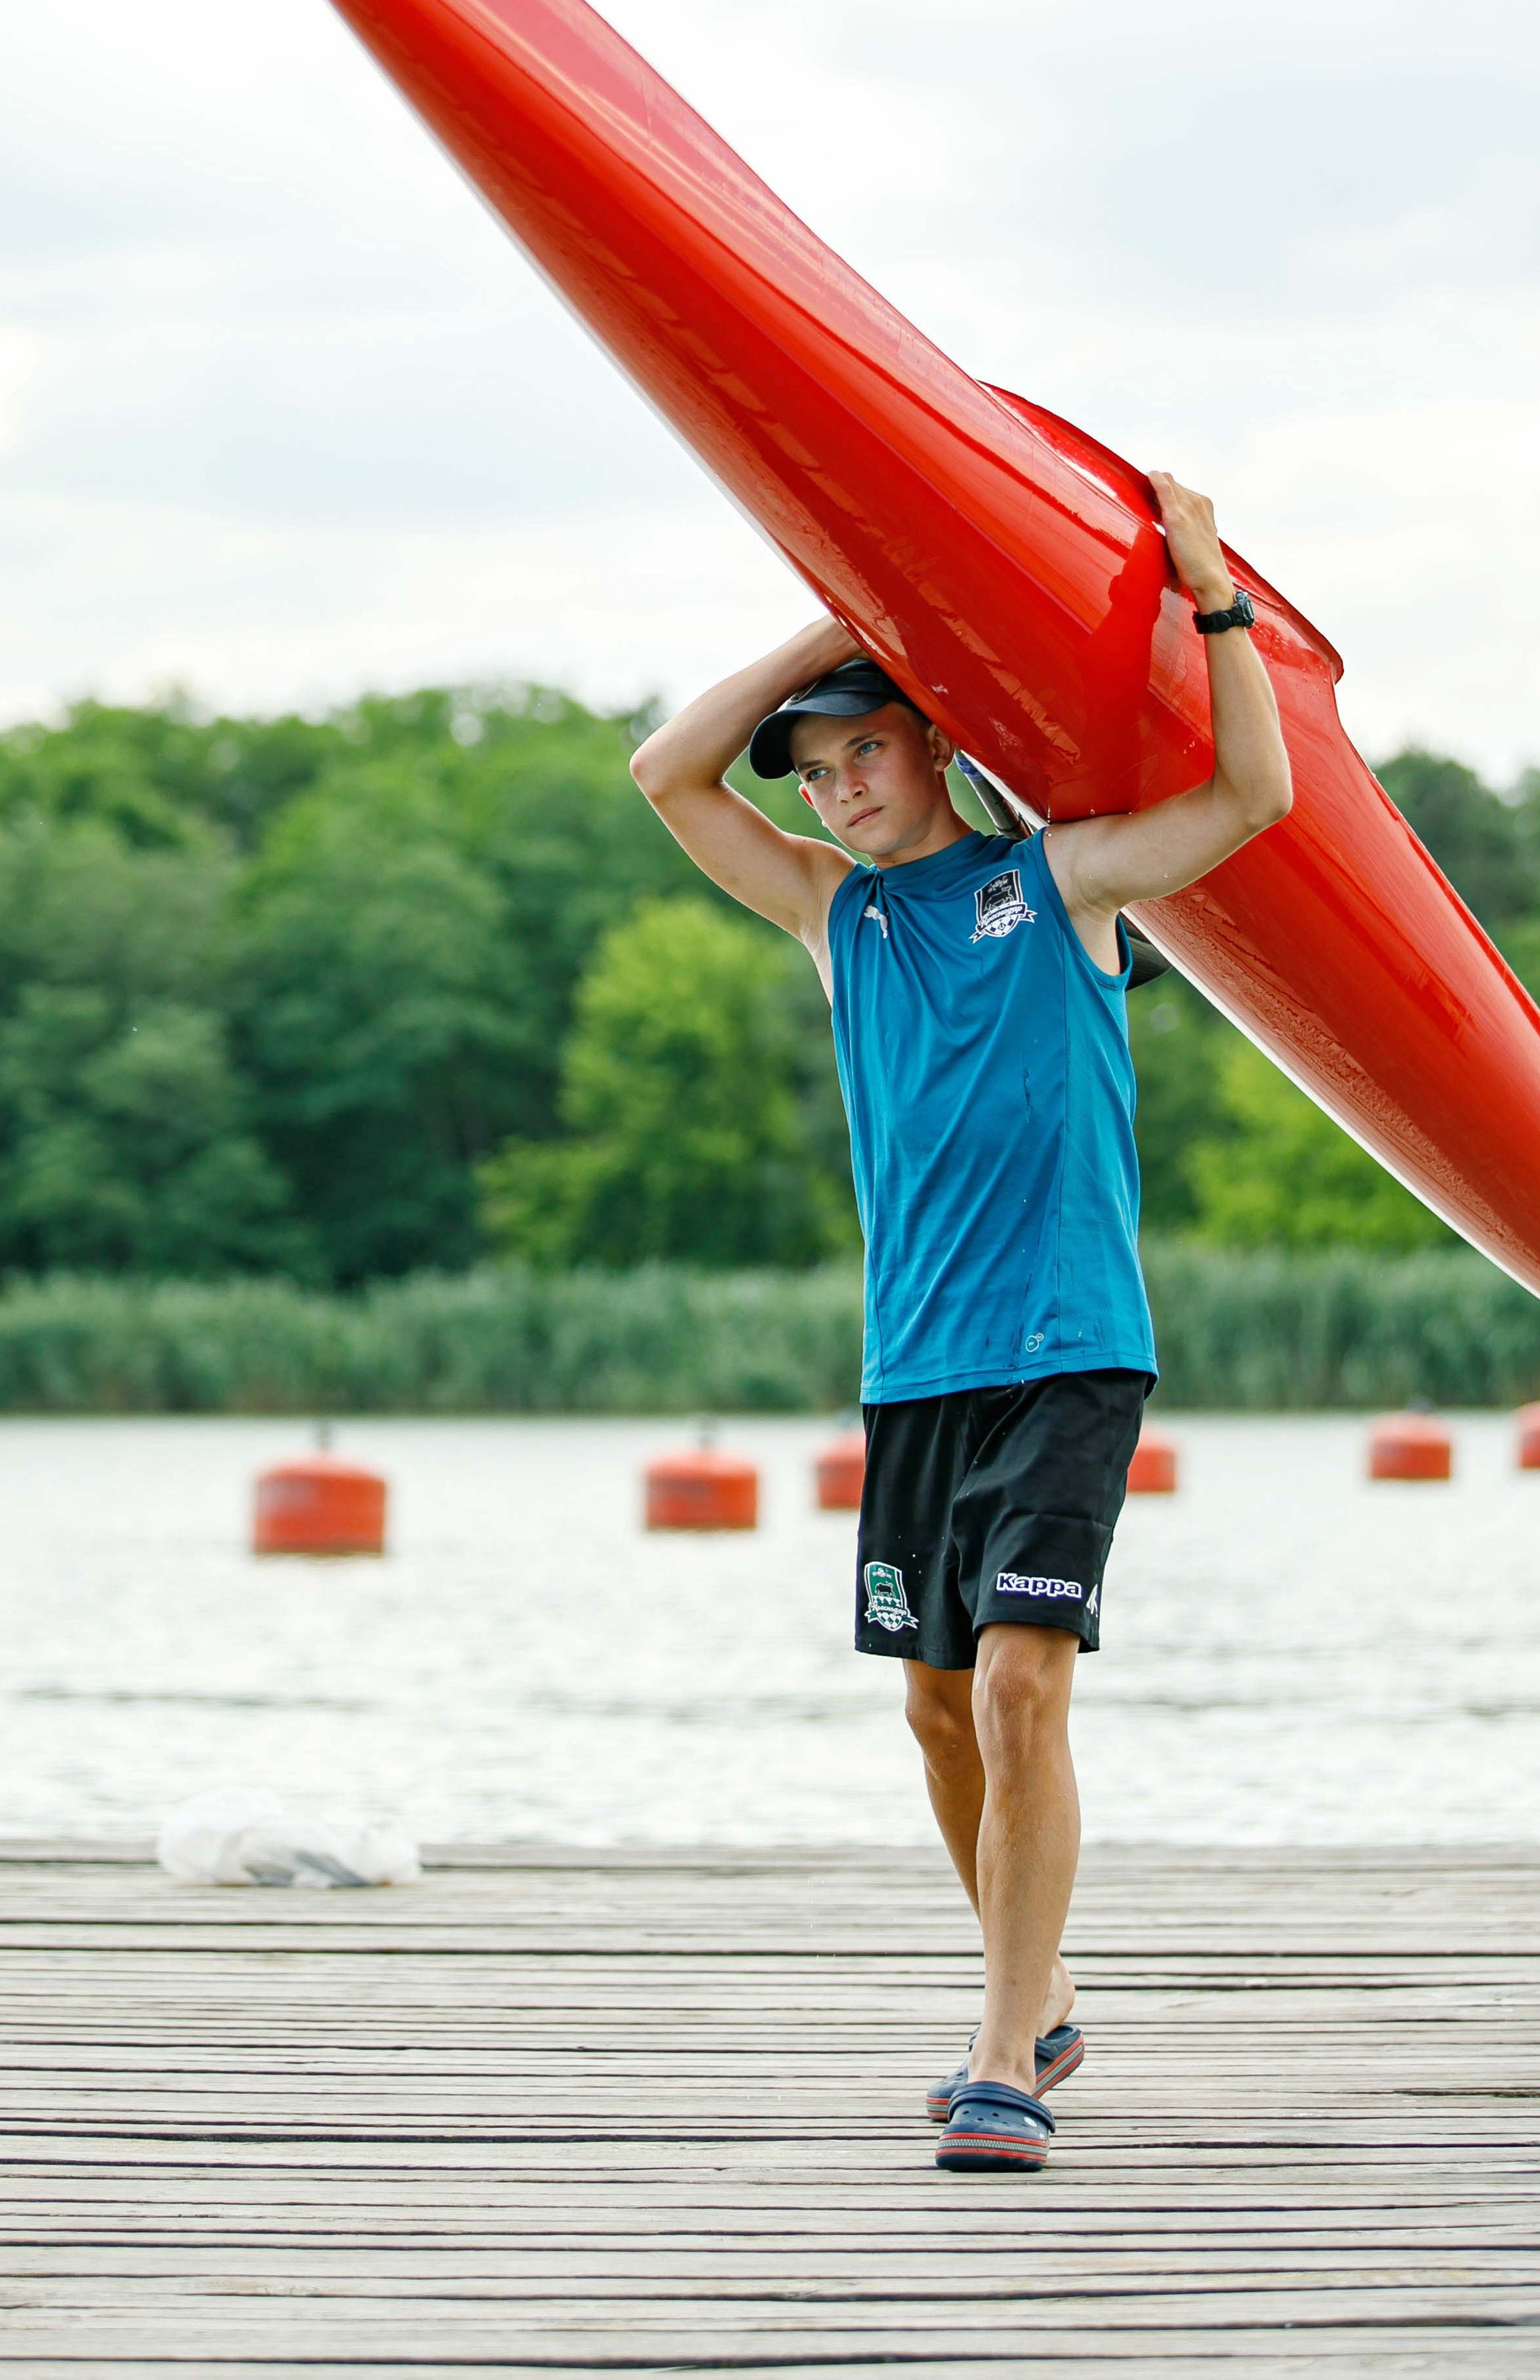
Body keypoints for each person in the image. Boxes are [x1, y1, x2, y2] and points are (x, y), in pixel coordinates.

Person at [629, 472, 1291, 2171]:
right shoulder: (829, 918)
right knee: (932, 1709)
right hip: (914, 1369)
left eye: (864, 747)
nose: (841, 787)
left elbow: (1251, 792)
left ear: (933, 746)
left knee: (1015, 1687)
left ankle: (1003, 2054)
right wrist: (839, 623)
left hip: (1069, 1346)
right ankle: (1040, 1986)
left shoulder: (1060, 884)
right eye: (820, 767)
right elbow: (663, 773)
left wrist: (1207, 591)